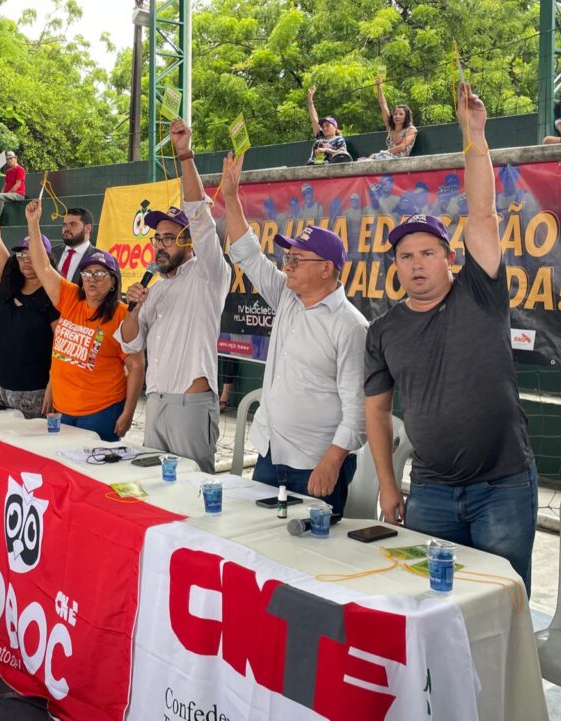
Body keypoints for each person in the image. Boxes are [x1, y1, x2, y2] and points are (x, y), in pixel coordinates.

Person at [363, 84, 538, 593]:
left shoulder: (479, 294)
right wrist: (390, 485)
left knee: (504, 605)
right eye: (405, 256)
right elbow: (376, 412)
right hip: (431, 493)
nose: (416, 264)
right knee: (429, 605)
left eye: (427, 253)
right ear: (394, 265)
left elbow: (482, 213)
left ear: (450, 259)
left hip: (503, 487)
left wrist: (475, 134)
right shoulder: (383, 331)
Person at [223, 152, 368, 515]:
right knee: (258, 546)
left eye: (296, 259)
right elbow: (249, 255)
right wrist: (230, 197)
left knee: (310, 560)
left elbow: (359, 410)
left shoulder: (350, 327)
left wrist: (332, 461)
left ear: (327, 269)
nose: (286, 265)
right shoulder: (287, 297)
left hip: (317, 465)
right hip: (271, 454)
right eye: (288, 258)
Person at [117, 118, 232, 474]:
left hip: (190, 404)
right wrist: (134, 309)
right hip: (155, 403)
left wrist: (184, 155)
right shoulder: (155, 285)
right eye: (157, 238)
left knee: (195, 494)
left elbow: (200, 216)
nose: (160, 245)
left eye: (169, 237)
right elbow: (129, 344)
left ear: (189, 241)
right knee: (159, 492)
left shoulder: (210, 272)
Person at [26, 199, 144, 441]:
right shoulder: (70, 298)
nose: (92, 279)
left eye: (100, 274)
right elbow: (42, 266)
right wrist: (33, 223)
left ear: (113, 282)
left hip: (101, 412)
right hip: (62, 409)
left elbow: (136, 366)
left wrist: (129, 413)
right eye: (87, 273)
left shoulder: (122, 315)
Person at [0, 177, 61, 419]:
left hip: (33, 393)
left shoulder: (53, 294)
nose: (26, 260)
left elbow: (61, 347)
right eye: (21, 255)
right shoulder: (8, 281)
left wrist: (54, 385)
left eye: (32, 255)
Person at [360, 76, 417, 161]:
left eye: (401, 114)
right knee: (362, 160)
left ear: (406, 117)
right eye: (395, 114)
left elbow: (402, 147)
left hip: (400, 161)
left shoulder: (411, 129)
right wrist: (379, 86)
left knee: (375, 157)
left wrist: (382, 153)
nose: (397, 116)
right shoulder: (390, 128)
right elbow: (383, 105)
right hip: (386, 158)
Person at [305, 86, 351, 164]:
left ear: (335, 127)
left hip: (330, 165)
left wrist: (326, 150)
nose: (324, 128)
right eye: (323, 127)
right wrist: (310, 100)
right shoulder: (320, 136)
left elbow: (343, 154)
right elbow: (314, 120)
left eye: (327, 126)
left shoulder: (339, 139)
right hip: (314, 164)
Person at [53, 208, 100, 283]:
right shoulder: (51, 253)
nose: (66, 229)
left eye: (73, 224)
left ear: (88, 228)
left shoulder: (99, 258)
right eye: (64, 225)